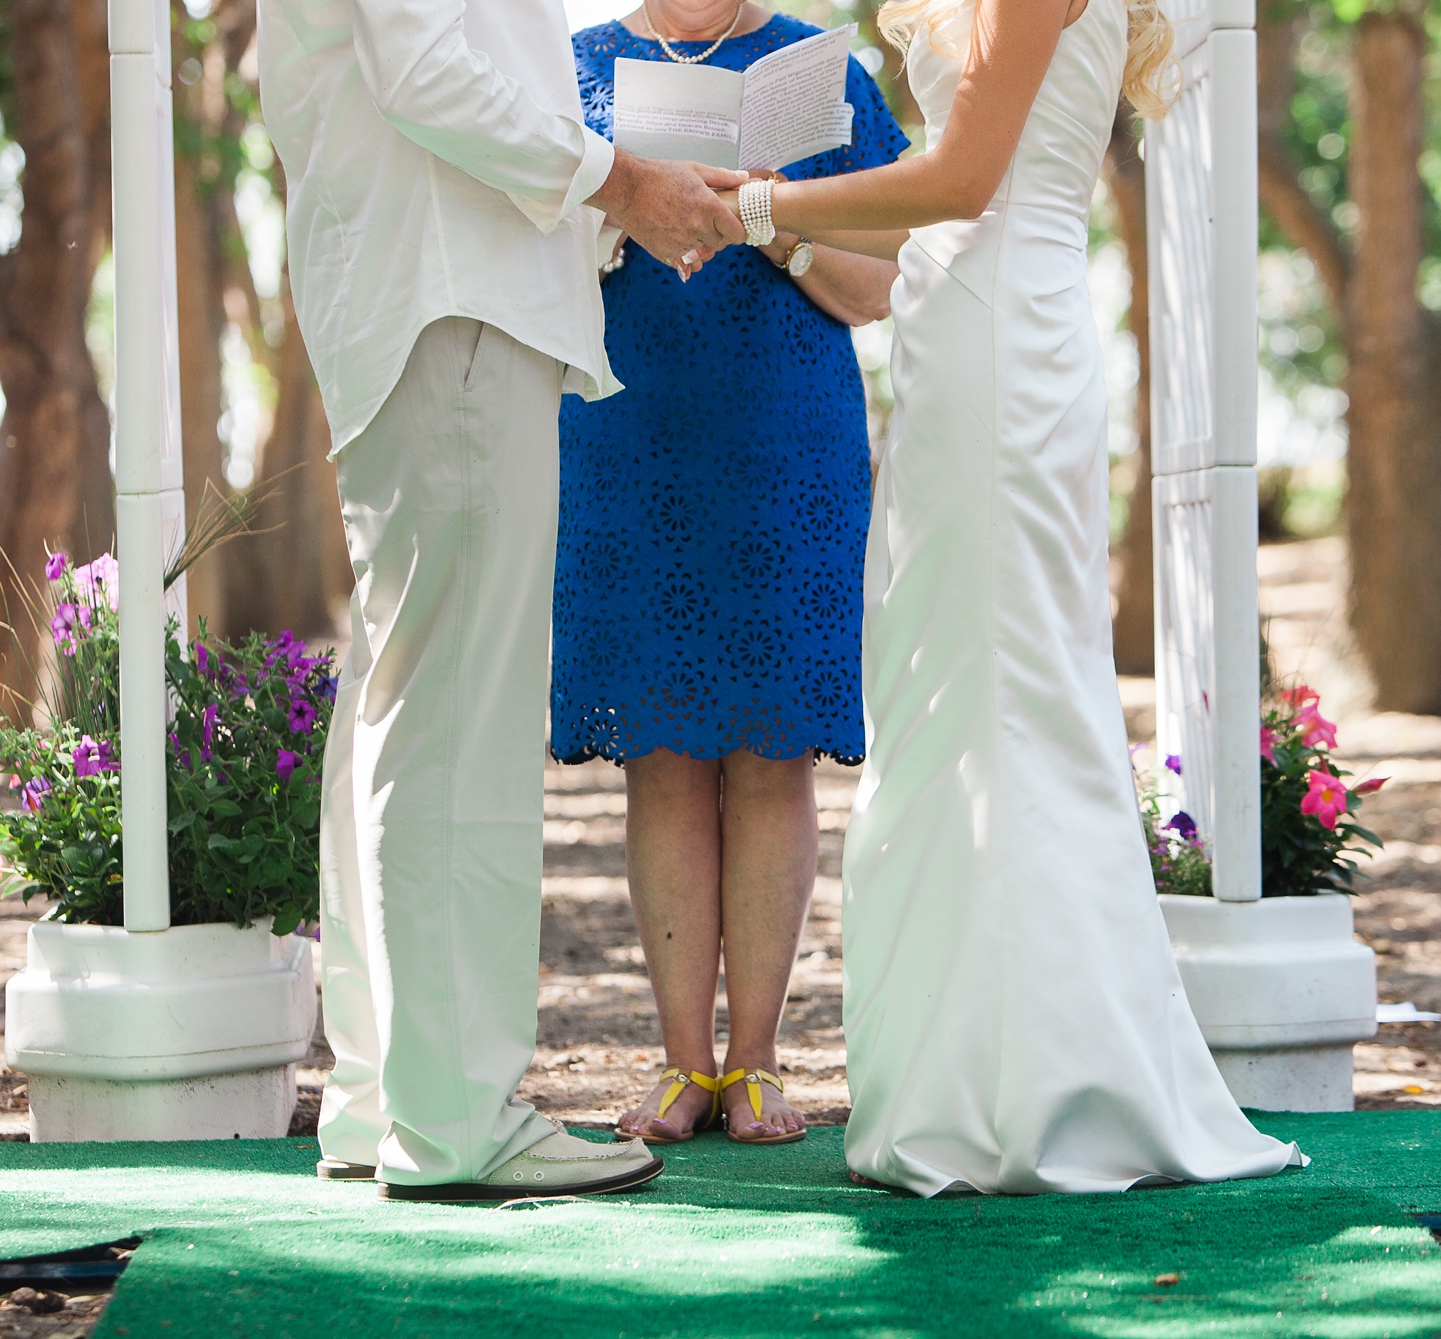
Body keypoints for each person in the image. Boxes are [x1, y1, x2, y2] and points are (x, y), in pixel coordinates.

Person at [717, 0, 1308, 1194]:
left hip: (998, 326)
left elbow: (964, 176)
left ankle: (1035, 1088)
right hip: (965, 325)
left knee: (1007, 699)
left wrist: (756, 203)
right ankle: (967, 1071)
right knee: (956, 698)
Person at [257, 0, 749, 1202]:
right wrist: (619, 182)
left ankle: (389, 1098)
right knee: (459, 720)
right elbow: (427, 72)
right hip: (455, 306)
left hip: (427, 302)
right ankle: (456, 1115)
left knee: (405, 703)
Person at [553, 2, 908, 1148]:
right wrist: (626, 211)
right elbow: (527, 236)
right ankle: (679, 1065)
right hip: (626, 428)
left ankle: (756, 1063)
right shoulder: (579, 67)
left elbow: (882, 283)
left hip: (785, 434)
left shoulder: (822, 73)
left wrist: (768, 221)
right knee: (656, 750)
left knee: (770, 750)